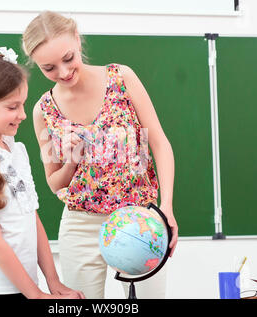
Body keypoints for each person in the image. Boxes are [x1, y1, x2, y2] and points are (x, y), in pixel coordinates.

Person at [22, 11, 179, 299]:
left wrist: (166, 207)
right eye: (49, 68)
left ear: (78, 41)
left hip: (139, 220)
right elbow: (55, 184)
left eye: (68, 58)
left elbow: (159, 143)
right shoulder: (42, 111)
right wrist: (71, 160)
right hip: (80, 226)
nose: (63, 72)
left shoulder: (122, 78)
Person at [0, 47, 85, 299]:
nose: (23, 114)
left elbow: (31, 218)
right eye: (13, 107)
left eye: (22, 104)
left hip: (26, 288)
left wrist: (52, 281)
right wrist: (36, 295)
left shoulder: (16, 151)